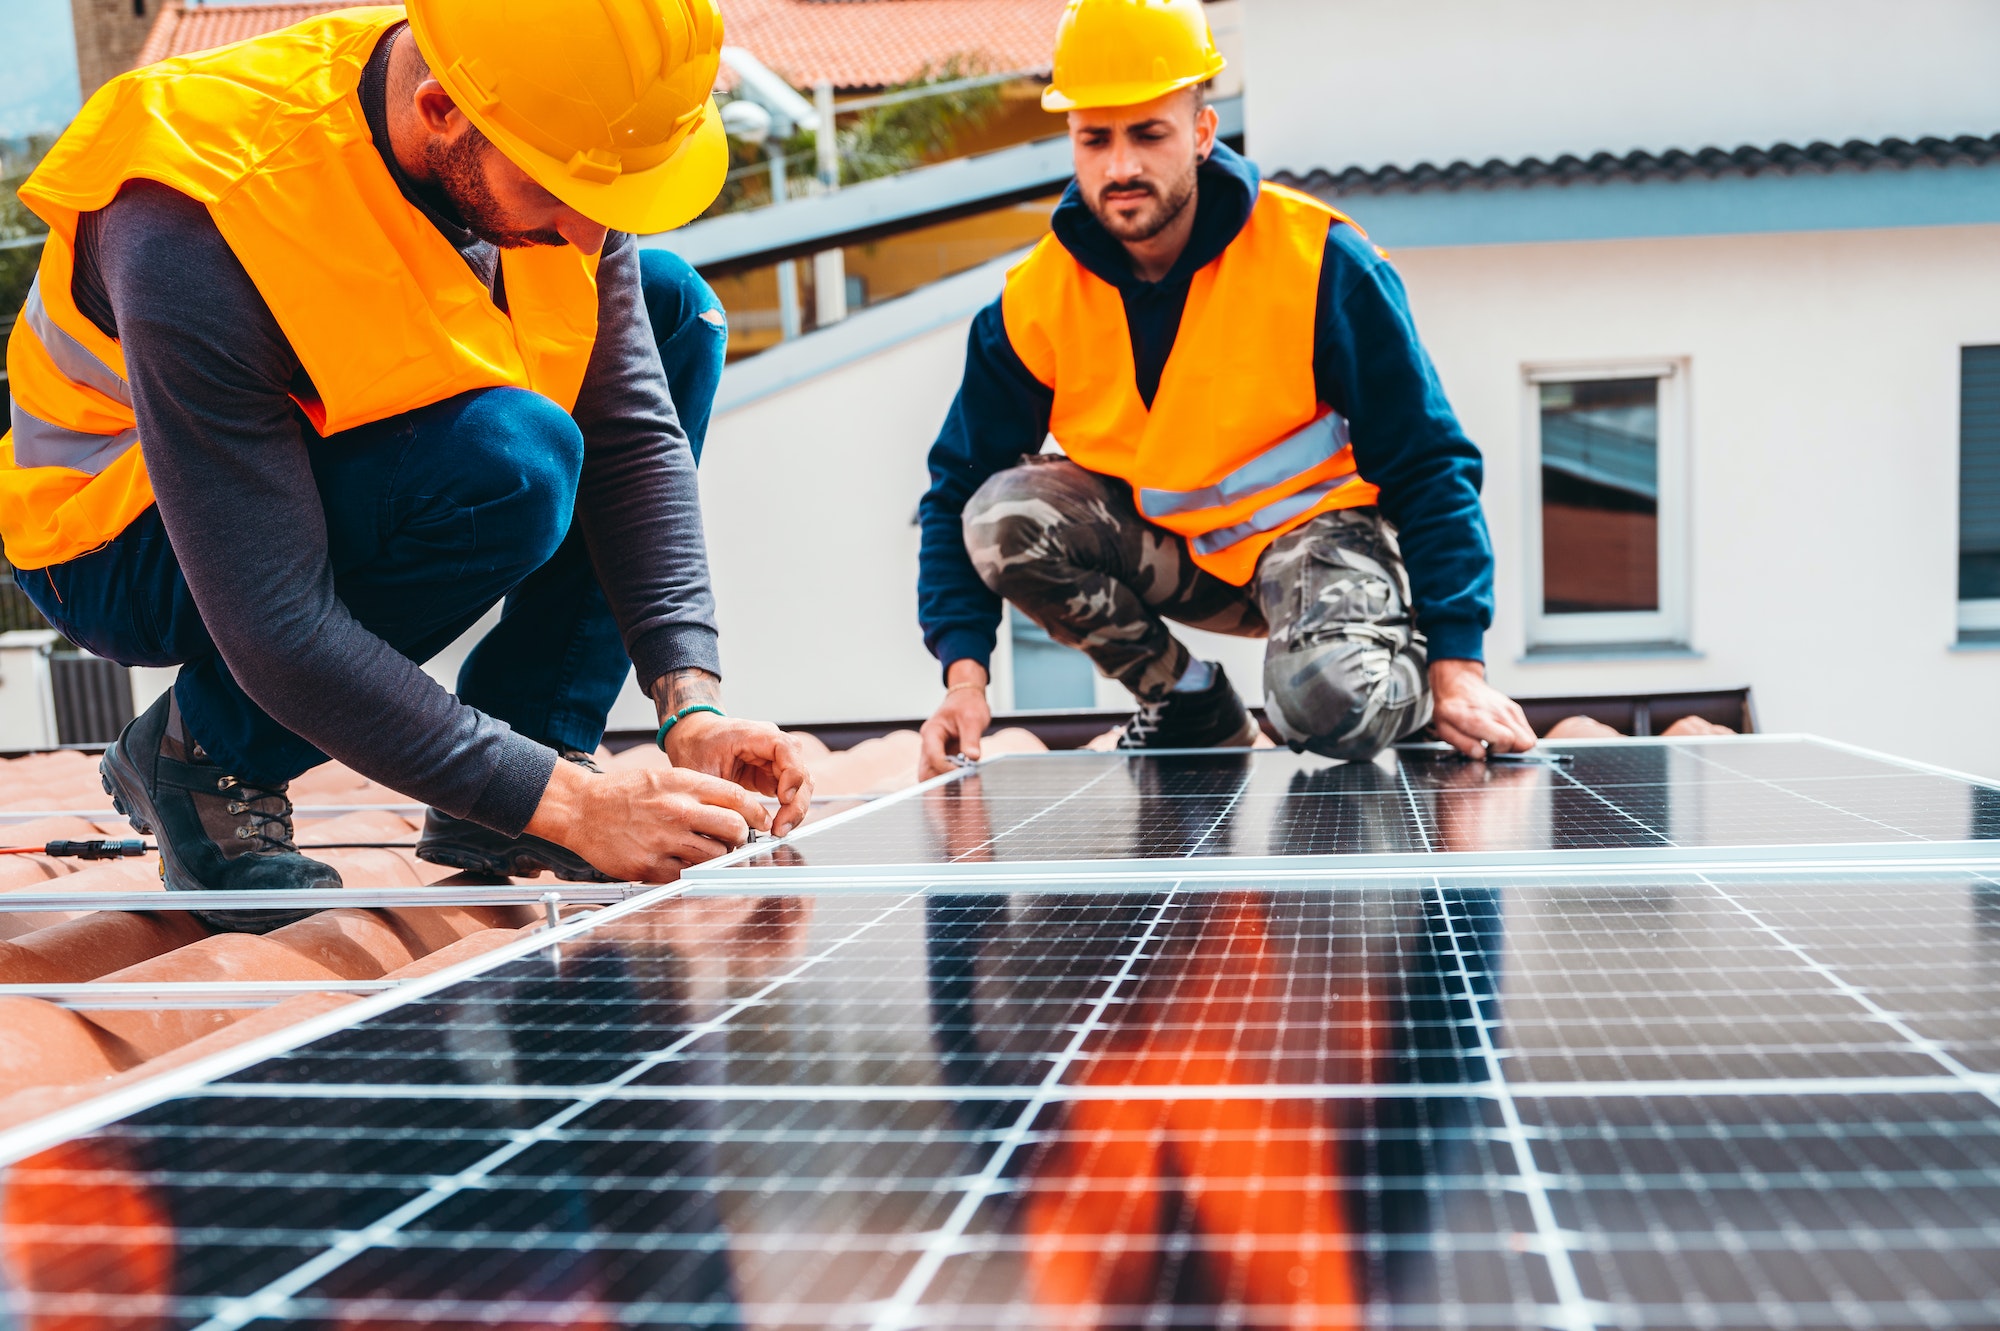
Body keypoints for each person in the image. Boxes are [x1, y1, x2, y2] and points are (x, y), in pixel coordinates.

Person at [0, 0, 811, 931]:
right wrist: (576, 809)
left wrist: (690, 709)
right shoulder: (195, 213)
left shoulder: (538, 94)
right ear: (439, 111)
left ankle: (535, 734)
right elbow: (275, 619)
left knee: (674, 311)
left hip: (313, 455)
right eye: (562, 195)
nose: (589, 235)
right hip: (119, 532)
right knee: (512, 466)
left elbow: (629, 429)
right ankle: (203, 752)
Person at [916, 0, 1537, 778]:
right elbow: (954, 487)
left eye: (1149, 133)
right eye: (1095, 138)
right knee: (999, 515)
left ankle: (1384, 663)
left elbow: (1429, 461)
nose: (1120, 168)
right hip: (1182, 556)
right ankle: (1189, 705)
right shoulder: (1034, 300)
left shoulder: (1319, 262)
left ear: (1203, 133)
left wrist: (1457, 665)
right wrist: (964, 678)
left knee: (1320, 703)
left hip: (1319, 540)